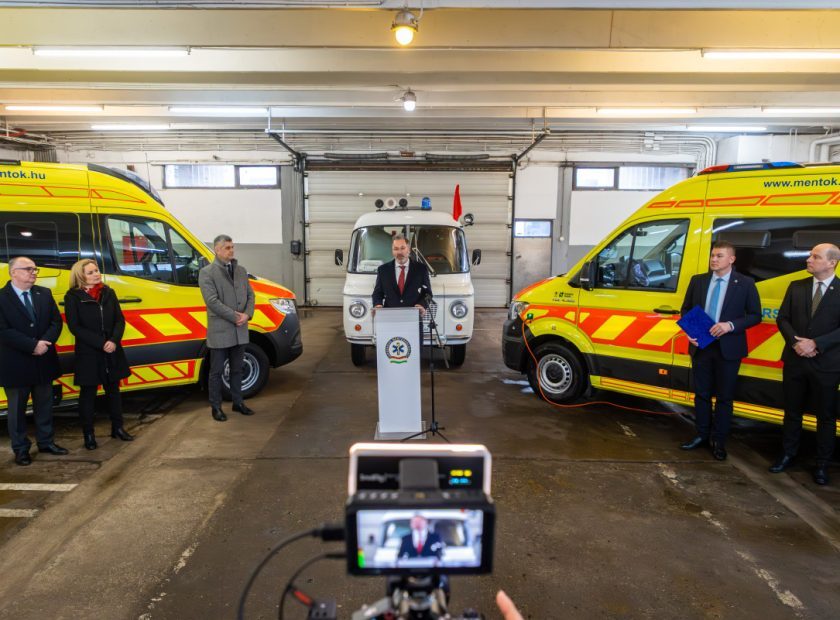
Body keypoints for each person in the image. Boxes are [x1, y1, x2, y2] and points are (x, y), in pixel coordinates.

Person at [680, 241, 761, 460]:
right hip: (701, 346)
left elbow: (755, 315)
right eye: (712, 255)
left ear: (731, 259)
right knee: (702, 395)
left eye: (719, 256)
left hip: (729, 348)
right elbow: (686, 309)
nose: (714, 259)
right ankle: (702, 435)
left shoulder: (745, 283)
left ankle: (719, 441)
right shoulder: (698, 281)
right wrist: (690, 331)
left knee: (724, 398)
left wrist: (730, 325)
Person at [770, 243, 840, 486]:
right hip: (795, 360)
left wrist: (816, 344)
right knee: (792, 412)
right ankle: (788, 454)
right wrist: (796, 343)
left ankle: (822, 463)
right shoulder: (797, 286)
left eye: (815, 256)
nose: (809, 259)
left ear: (831, 263)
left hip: (827, 364)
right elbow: (783, 318)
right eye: (810, 255)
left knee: (826, 416)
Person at [0, 256, 68, 465]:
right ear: (13, 272)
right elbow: (3, 331)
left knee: (45, 405)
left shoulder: (44, 293)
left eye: (35, 269)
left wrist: (44, 342)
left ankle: (46, 442)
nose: (34, 272)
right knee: (17, 410)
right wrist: (32, 345)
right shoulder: (1, 297)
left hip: (44, 361)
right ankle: (21, 448)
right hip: (16, 363)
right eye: (28, 269)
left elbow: (56, 322)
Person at [64, 259, 134, 450]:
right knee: (88, 394)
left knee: (114, 391)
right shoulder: (73, 297)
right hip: (89, 352)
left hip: (111, 349)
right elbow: (75, 327)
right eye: (91, 272)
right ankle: (88, 435)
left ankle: (117, 428)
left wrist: (113, 341)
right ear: (81, 276)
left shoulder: (108, 293)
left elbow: (120, 320)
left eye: (97, 270)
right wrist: (101, 343)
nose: (96, 274)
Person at [199, 234, 255, 422]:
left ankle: (238, 403)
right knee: (216, 372)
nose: (231, 250)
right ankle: (216, 407)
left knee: (237, 369)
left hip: (239, 329)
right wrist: (235, 317)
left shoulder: (240, 270)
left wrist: (247, 314)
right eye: (227, 247)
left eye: (232, 247)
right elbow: (212, 301)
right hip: (221, 331)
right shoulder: (207, 273)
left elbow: (250, 295)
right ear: (217, 249)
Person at [372, 234, 432, 313]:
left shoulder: (421, 269)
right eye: (396, 249)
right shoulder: (383, 270)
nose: (399, 252)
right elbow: (377, 293)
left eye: (403, 248)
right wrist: (378, 304)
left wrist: (422, 305)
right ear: (392, 251)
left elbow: (427, 293)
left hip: (413, 317)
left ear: (409, 249)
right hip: (389, 318)